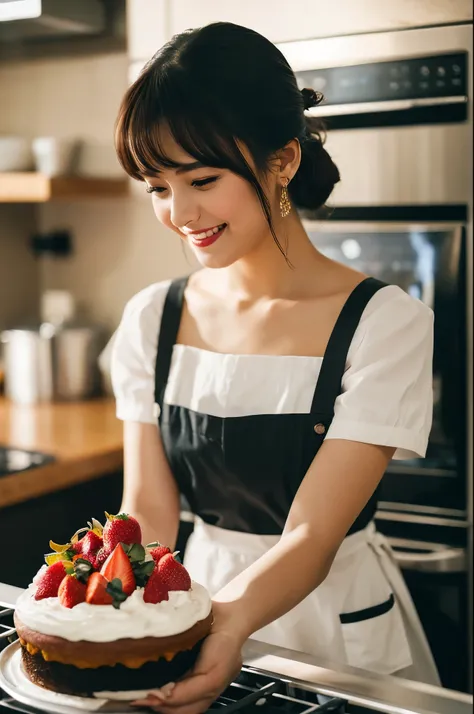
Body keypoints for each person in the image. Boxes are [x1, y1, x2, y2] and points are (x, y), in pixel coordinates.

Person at [111, 21, 440, 713]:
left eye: (202, 179)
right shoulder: (152, 316)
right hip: (192, 605)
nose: (181, 213)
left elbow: (312, 536)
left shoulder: (384, 323)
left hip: (335, 627)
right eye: (158, 186)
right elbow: (148, 513)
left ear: (282, 160)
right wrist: (112, 624)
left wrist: (228, 622)